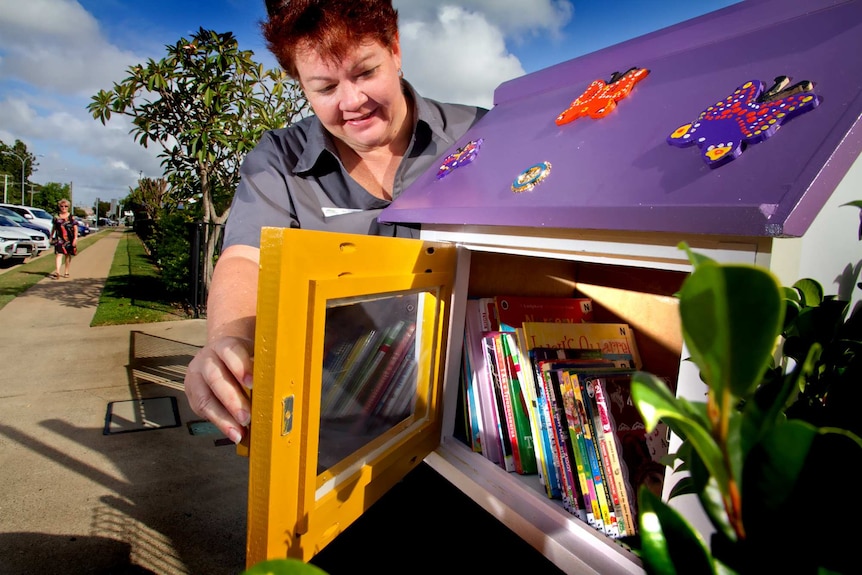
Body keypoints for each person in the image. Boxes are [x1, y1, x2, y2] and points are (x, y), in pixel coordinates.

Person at [183, 0, 487, 444]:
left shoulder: (481, 134)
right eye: (325, 88)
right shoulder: (278, 161)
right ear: (299, 84)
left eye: (365, 73)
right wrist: (229, 342)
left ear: (395, 49)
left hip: (471, 428)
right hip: (341, 434)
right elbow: (247, 260)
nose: (352, 101)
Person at [49, 198, 78, 279]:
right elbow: (54, 227)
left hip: (69, 239)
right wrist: (51, 236)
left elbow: (75, 228)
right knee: (59, 254)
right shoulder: (56, 217)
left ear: (68, 207)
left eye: (66, 206)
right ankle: (57, 271)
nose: (64, 208)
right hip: (59, 238)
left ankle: (66, 271)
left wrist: (75, 238)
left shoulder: (71, 217)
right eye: (62, 206)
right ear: (59, 206)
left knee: (68, 255)